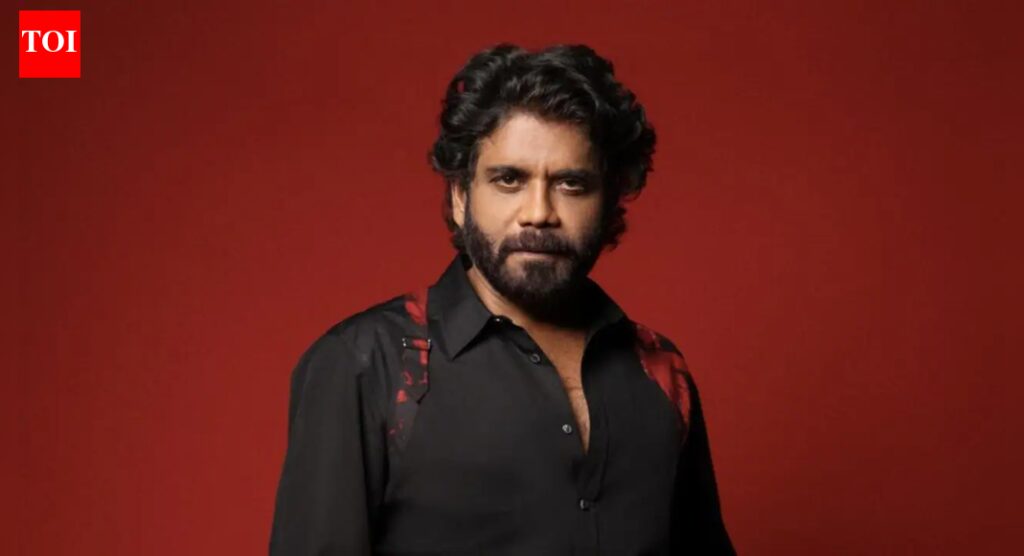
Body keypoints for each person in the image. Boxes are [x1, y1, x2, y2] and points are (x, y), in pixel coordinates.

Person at [268, 43, 735, 555]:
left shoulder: (659, 372)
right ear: (460, 196)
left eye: (571, 184)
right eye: (509, 179)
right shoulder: (367, 366)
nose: (539, 213)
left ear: (608, 202)